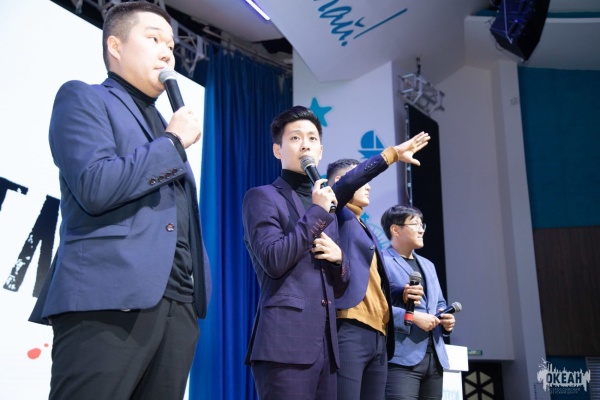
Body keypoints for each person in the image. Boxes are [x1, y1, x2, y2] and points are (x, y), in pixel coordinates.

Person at [28, 3, 211, 399]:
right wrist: (172, 143)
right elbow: (95, 185)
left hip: (177, 305)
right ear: (115, 46)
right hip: (108, 300)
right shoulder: (84, 98)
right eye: (154, 39)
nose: (167, 53)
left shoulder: (163, 124)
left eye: (172, 46)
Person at [242, 105, 350, 400]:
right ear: (277, 150)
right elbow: (274, 260)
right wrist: (316, 212)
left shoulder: (328, 210)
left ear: (321, 151)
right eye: (295, 138)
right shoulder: (262, 197)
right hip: (284, 343)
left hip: (327, 347)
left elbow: (340, 288)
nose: (305, 144)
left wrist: (340, 260)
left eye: (312, 138)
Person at [325, 133, 430, 400]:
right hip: (350, 325)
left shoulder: (365, 228)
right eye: (363, 180)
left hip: (380, 334)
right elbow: (351, 181)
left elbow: (371, 279)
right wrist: (393, 154)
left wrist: (399, 292)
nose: (369, 186)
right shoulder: (334, 212)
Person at [380, 205, 456, 400]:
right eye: (415, 224)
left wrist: (445, 320)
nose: (421, 230)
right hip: (401, 358)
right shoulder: (381, 261)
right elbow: (376, 307)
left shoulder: (428, 265)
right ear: (395, 229)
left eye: (422, 225)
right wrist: (413, 317)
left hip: (435, 358)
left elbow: (439, 302)